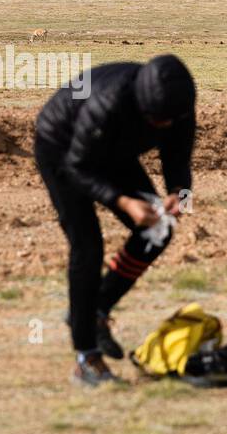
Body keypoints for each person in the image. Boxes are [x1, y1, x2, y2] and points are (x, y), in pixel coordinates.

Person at [34, 54, 196, 386]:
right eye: (156, 120)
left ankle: (96, 310)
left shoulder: (178, 107)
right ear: (142, 105)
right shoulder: (109, 103)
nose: (164, 127)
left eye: (169, 121)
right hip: (63, 150)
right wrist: (123, 202)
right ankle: (86, 358)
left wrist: (181, 196)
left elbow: (179, 157)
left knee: (159, 229)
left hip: (113, 151)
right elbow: (78, 166)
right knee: (87, 246)